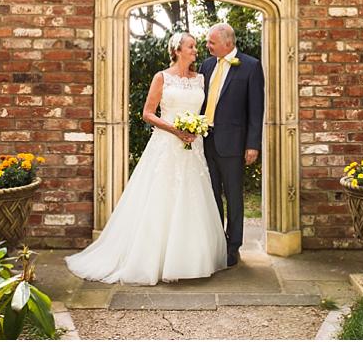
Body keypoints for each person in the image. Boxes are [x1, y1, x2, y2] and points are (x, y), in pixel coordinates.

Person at [66, 32, 226, 284]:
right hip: (166, 145)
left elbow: (208, 110)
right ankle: (154, 260)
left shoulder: (201, 79)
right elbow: (147, 113)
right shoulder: (161, 77)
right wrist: (175, 129)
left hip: (194, 149)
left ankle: (191, 259)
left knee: (193, 199)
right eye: (191, 46)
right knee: (160, 199)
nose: (196, 50)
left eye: (196, 46)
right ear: (177, 50)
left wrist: (196, 128)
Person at [199, 23, 264, 267]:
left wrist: (253, 145)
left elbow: (255, 110)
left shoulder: (251, 66)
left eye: (211, 43)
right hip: (206, 141)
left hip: (234, 145)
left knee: (234, 197)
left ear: (227, 43)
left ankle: (233, 246)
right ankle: (217, 243)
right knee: (212, 195)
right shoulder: (207, 65)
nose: (207, 46)